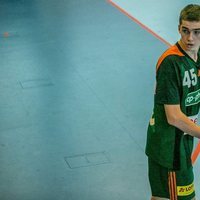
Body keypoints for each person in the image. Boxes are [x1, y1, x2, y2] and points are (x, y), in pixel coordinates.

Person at [145, 4, 200, 200]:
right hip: (168, 149)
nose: (190, 38)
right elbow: (174, 117)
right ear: (179, 29)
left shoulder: (197, 57)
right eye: (185, 31)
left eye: (196, 32)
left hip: (182, 143)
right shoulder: (171, 63)